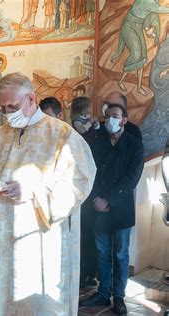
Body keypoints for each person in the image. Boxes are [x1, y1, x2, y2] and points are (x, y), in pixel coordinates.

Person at [0, 73, 96, 314]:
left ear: (31, 98)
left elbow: (81, 178)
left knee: (40, 304)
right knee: (2, 302)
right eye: (3, 108)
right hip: (3, 238)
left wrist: (34, 191)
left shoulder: (62, 135)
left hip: (42, 239)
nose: (7, 113)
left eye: (13, 107)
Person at [79, 103, 144, 314]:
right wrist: (97, 198)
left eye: (115, 116)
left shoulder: (134, 145)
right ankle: (102, 292)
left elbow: (131, 178)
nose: (110, 120)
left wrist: (108, 200)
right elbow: (91, 171)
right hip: (99, 208)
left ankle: (119, 297)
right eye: (107, 116)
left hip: (120, 208)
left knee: (121, 255)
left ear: (124, 119)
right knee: (103, 254)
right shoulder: (99, 144)